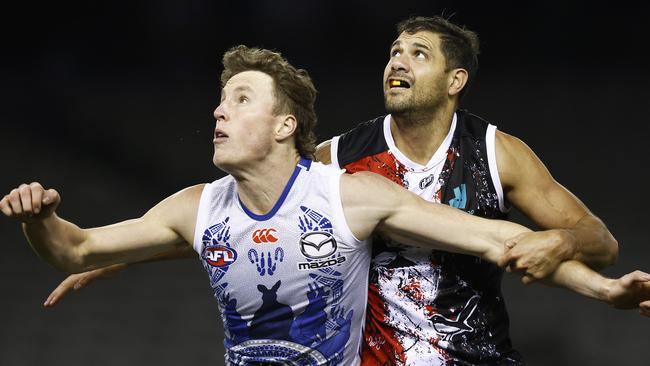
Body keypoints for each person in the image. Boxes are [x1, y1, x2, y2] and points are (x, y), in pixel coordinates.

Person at [29, 18, 650, 363]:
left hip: (472, 350)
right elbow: (266, 217)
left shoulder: (493, 151)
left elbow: (574, 242)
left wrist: (571, 259)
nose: (396, 62)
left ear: (456, 78)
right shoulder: (340, 164)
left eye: (418, 53)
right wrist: (115, 257)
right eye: (392, 50)